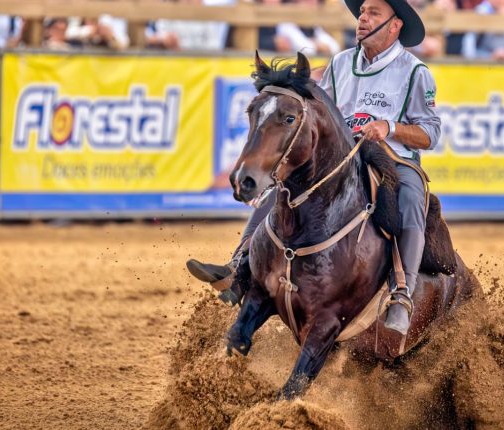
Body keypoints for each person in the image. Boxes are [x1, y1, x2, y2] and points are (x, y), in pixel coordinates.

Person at [187, 0, 440, 337]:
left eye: (373, 13)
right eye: (362, 11)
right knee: (282, 189)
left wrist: (390, 128)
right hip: (339, 158)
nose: (363, 18)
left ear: (395, 25)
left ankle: (401, 294)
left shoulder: (415, 72)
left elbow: (430, 133)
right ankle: (239, 269)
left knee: (410, 198)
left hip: (392, 159)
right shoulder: (340, 63)